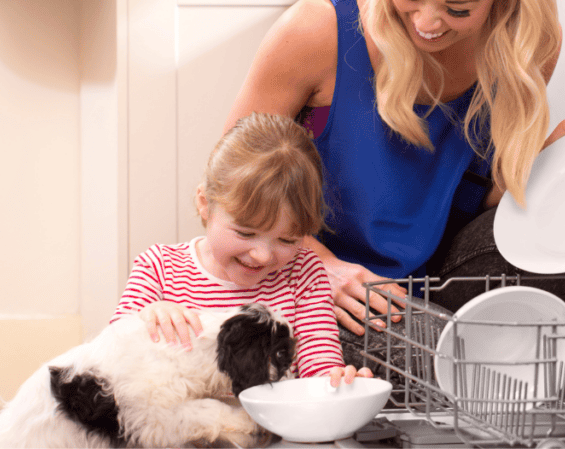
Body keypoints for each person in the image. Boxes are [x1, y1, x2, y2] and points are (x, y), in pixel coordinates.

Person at [221, 0, 565, 359]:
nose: (427, 23)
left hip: (435, 279)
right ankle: (462, 364)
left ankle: (459, 359)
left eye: (458, 9)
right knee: (463, 366)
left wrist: (549, 168)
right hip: (325, 284)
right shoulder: (315, 31)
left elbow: (477, 200)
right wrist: (320, 267)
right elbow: (232, 187)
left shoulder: (527, 46)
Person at [111, 112, 371, 386]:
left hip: (274, 426)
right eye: (246, 232)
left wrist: (340, 382)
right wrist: (148, 317)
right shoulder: (159, 267)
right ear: (205, 204)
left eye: (287, 240)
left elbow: (319, 367)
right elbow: (113, 354)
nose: (263, 255)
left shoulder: (303, 273)